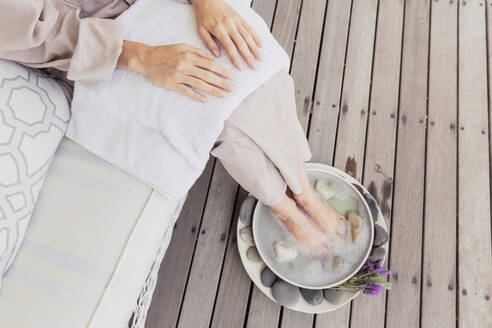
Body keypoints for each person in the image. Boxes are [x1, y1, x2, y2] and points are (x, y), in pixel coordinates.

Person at [0, 0, 346, 250]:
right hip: (101, 42)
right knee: (218, 107)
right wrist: (143, 57)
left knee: (258, 62)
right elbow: (33, 32)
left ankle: (303, 189)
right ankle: (284, 209)